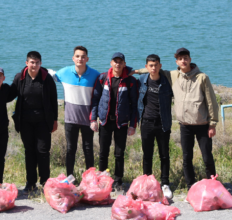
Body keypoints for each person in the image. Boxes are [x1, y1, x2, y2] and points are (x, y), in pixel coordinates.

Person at [135, 48, 219, 191]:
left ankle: (214, 186)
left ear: (190, 60)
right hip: (184, 124)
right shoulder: (174, 75)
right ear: (177, 62)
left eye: (185, 58)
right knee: (187, 158)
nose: (183, 61)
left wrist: (212, 124)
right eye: (180, 59)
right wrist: (133, 71)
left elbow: (211, 102)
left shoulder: (202, 77)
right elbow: (153, 70)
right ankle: (190, 187)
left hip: (202, 124)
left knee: (207, 157)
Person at [90, 52, 139, 190]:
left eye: (120, 62)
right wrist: (93, 119)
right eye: (115, 61)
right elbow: (95, 99)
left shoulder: (130, 81)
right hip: (105, 121)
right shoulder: (102, 78)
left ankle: (118, 181)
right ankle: (103, 180)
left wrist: (132, 125)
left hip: (121, 123)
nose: (117, 64)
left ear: (124, 64)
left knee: (119, 153)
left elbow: (134, 105)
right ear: (111, 63)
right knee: (103, 152)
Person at [11, 51, 58, 193]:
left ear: (41, 63)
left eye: (37, 62)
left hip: (43, 121)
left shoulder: (46, 78)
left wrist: (54, 120)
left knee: (43, 152)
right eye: (32, 62)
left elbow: (53, 100)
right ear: (27, 63)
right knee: (29, 152)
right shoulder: (20, 78)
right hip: (25, 122)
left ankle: (45, 183)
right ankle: (30, 183)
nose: (34, 65)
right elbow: (10, 93)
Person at [53, 46, 100, 179]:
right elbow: (49, 75)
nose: (80, 59)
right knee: (70, 149)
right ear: (73, 58)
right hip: (70, 119)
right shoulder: (64, 72)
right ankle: (70, 177)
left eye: (83, 56)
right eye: (77, 56)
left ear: (87, 59)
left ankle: (89, 178)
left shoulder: (95, 75)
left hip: (87, 119)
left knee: (88, 149)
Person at [136, 54, 173, 199]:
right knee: (147, 155)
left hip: (163, 123)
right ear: (146, 67)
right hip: (146, 122)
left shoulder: (167, 81)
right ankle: (147, 182)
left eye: (156, 65)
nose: (153, 68)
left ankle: (165, 184)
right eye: (151, 65)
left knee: (164, 155)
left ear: (160, 66)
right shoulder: (142, 80)